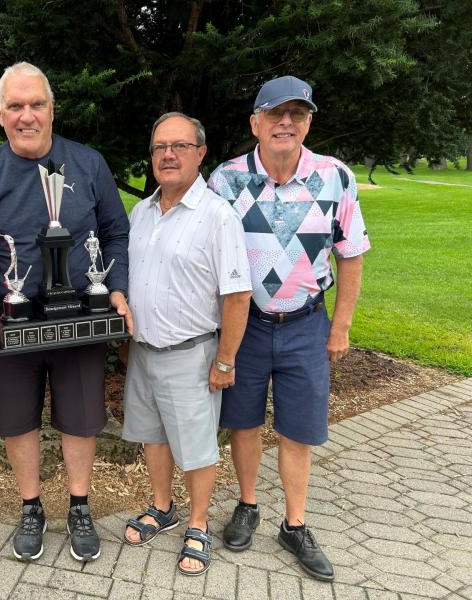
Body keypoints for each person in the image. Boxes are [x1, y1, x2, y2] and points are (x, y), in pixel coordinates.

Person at [0, 62, 131, 563]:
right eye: (15, 106)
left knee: (80, 418)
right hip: (10, 326)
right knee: (16, 420)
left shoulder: (89, 164)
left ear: (52, 109)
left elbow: (116, 231)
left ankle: (79, 505)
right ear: (0, 114)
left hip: (79, 318)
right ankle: (31, 507)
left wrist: (115, 287)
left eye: (36, 104)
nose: (26, 115)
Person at [208, 76, 370, 581]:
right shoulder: (226, 180)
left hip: (305, 322)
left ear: (308, 122)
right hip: (246, 326)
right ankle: (249, 504)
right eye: (275, 114)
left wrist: (340, 327)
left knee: (299, 427)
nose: (286, 123)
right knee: (243, 420)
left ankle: (295, 524)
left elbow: (352, 254)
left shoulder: (335, 177)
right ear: (255, 122)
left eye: (297, 114)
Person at [121, 113, 252, 576]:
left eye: (179, 146)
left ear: (201, 153)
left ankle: (197, 525)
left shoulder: (218, 217)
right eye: (159, 147)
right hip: (144, 352)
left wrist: (225, 360)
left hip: (192, 354)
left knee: (197, 448)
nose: (168, 155)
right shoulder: (141, 212)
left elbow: (238, 295)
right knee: (153, 438)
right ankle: (162, 507)